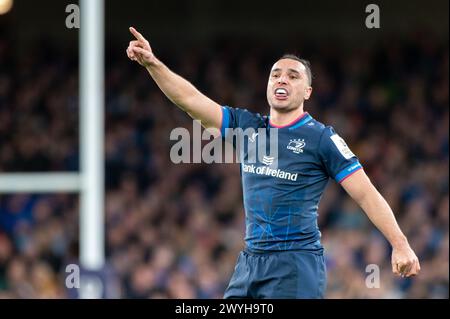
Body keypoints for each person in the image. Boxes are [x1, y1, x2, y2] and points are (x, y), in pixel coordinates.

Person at [126, 26, 421, 299]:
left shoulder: (321, 139)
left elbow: (366, 193)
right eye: (276, 74)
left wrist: (400, 244)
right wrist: (153, 64)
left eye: (293, 76)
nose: (282, 78)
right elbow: (190, 99)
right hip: (250, 263)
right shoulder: (247, 127)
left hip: (295, 265)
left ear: (307, 92)